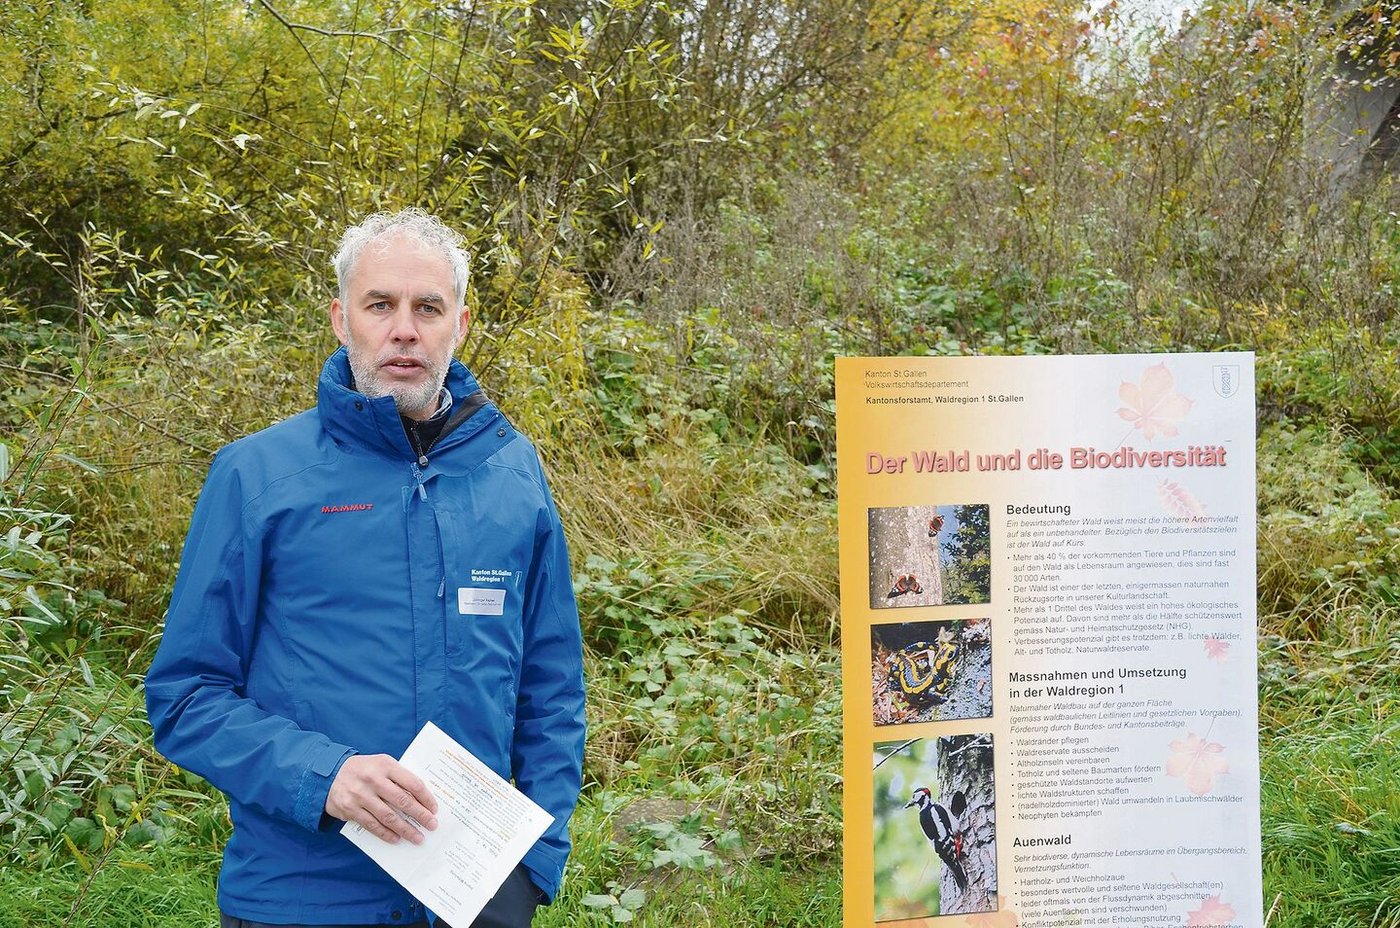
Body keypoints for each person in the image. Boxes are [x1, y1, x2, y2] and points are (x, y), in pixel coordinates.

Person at [145, 209, 586, 928]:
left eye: (427, 308)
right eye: (379, 305)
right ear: (341, 320)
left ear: (461, 324)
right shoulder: (257, 477)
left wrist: (532, 866)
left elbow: (552, 686)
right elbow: (186, 696)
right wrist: (325, 777)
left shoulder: (513, 473)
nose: (403, 329)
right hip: (299, 899)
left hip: (473, 903)